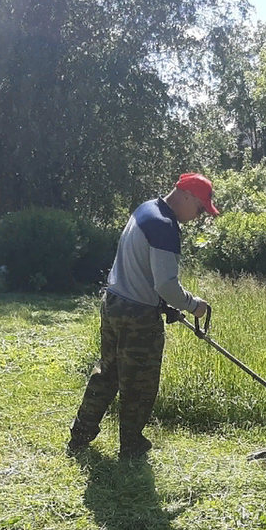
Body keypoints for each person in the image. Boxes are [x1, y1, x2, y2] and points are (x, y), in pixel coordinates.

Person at [67, 173, 216, 460]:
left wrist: (163, 305)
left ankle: (80, 435)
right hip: (137, 315)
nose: (198, 216)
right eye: (199, 209)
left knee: (107, 373)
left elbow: (141, 270)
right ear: (186, 195)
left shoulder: (146, 209)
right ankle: (131, 446)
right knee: (140, 383)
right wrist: (192, 305)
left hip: (114, 301)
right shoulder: (164, 226)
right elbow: (166, 284)